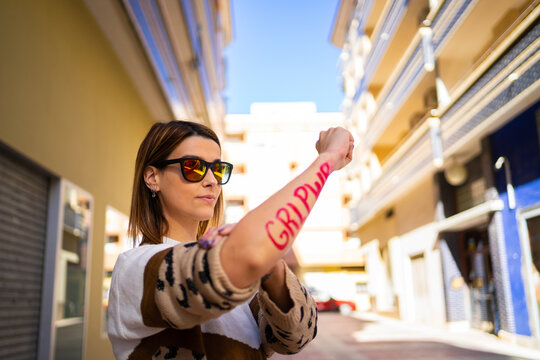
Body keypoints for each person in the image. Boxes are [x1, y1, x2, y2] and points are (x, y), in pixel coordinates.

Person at [108, 120, 354, 359]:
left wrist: (273, 267)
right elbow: (247, 256)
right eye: (193, 166)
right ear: (152, 177)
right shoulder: (135, 267)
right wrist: (328, 158)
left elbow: (296, 338)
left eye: (217, 169)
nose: (212, 181)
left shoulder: (234, 268)